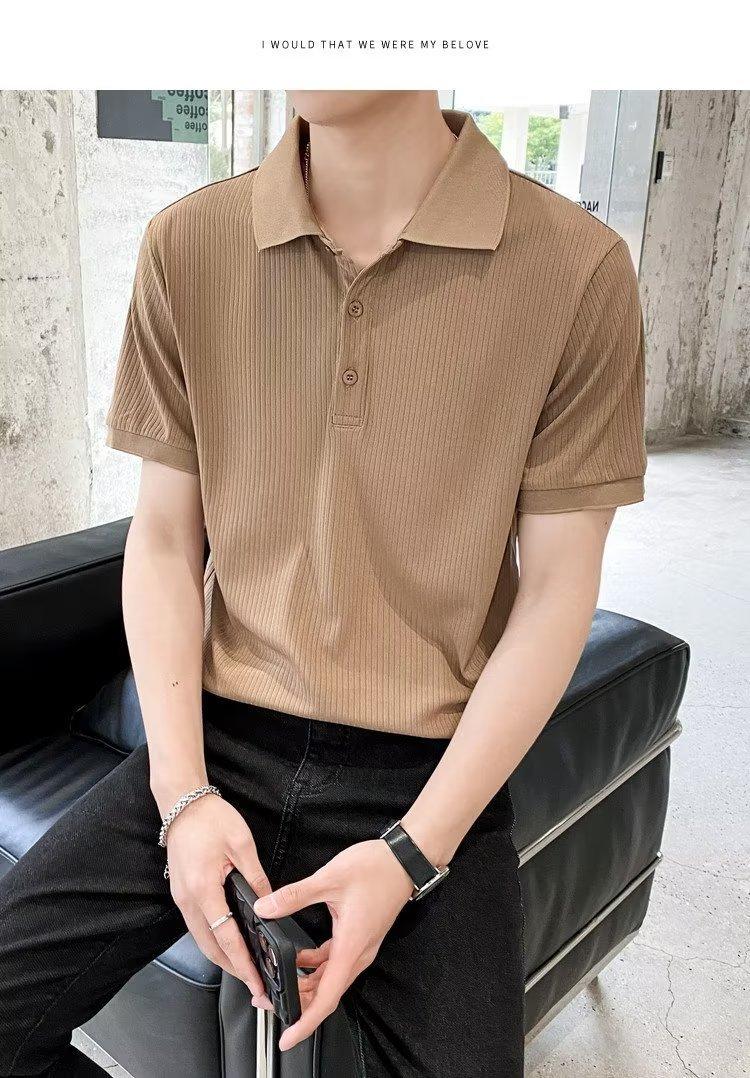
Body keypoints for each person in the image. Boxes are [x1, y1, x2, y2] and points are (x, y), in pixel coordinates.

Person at [0, 90, 646, 1077]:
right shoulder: (189, 243)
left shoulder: (576, 268)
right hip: (218, 745)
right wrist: (182, 796)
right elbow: (165, 541)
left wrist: (414, 852)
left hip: (427, 775)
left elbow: (558, 591)